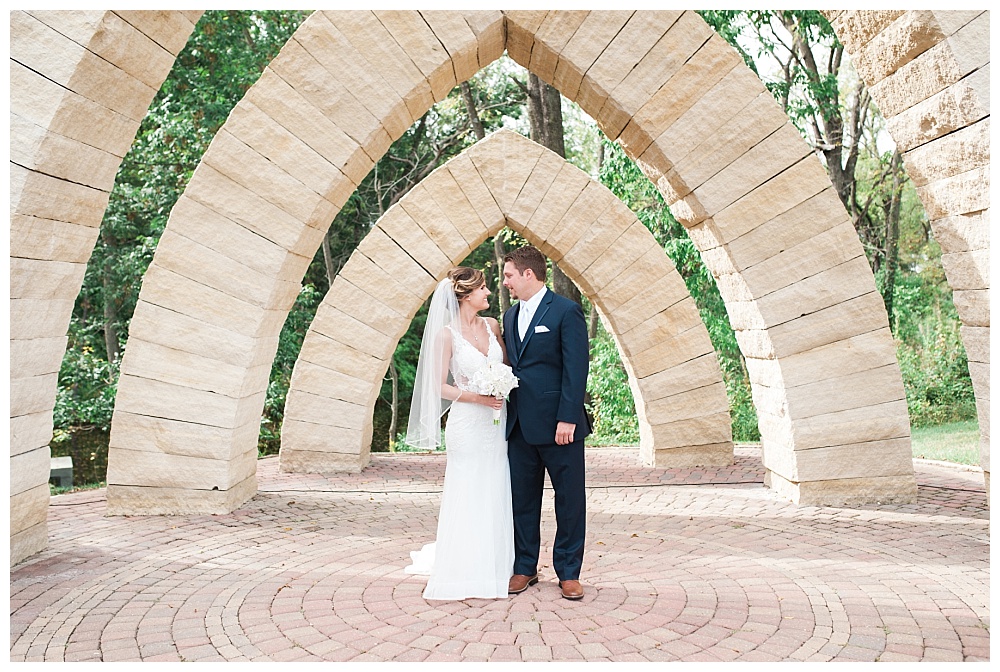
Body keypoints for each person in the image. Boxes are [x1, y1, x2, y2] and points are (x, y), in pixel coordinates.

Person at [403, 267, 514, 600]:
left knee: (494, 485)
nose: (488, 293)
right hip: (467, 422)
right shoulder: (447, 335)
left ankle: (496, 562)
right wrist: (479, 396)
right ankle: (464, 564)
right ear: (466, 295)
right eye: (482, 288)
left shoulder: (493, 326)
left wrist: (501, 387)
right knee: (467, 488)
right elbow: (439, 386)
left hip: (496, 423)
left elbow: (505, 369)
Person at [501, 246, 591, 601]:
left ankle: (569, 572)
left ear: (528, 274)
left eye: (509, 275)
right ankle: (525, 567)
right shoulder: (509, 317)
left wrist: (568, 416)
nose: (505, 281)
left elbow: (576, 367)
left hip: (560, 426)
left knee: (569, 500)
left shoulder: (566, 311)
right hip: (519, 424)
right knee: (522, 500)